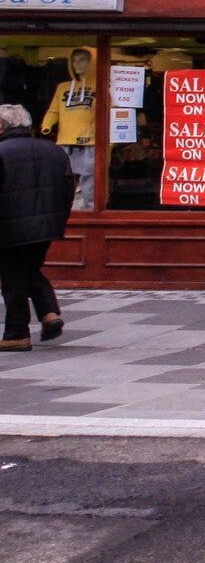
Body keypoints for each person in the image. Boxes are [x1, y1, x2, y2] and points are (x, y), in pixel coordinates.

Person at [0, 103, 72, 349]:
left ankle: (17, 333)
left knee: (13, 278)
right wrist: (58, 220)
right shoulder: (55, 151)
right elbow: (68, 190)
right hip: (47, 227)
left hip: (10, 228)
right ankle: (49, 313)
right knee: (28, 270)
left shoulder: (2, 151)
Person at [38, 47, 94, 211]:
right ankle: (63, 210)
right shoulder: (63, 87)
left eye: (82, 60)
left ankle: (90, 211)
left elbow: (110, 112)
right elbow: (54, 110)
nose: (77, 64)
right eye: (74, 60)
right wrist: (47, 125)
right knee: (63, 179)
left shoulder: (102, 85)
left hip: (91, 141)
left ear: (92, 63)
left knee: (90, 180)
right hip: (65, 141)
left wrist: (110, 140)